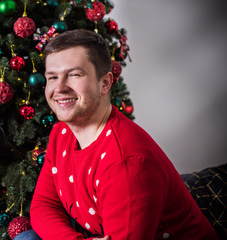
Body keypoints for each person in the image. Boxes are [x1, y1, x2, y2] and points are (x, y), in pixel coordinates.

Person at [17, 29, 219, 240]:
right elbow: (44, 204)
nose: (59, 88)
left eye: (74, 74)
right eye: (53, 77)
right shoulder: (62, 133)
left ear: (105, 83)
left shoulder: (125, 163)